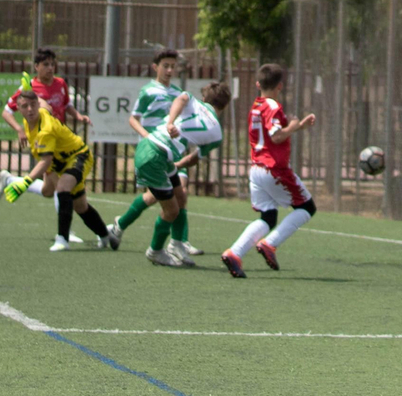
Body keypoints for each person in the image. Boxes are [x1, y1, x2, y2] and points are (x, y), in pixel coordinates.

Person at [109, 81, 231, 258]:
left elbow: (181, 99)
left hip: (165, 155)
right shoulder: (217, 135)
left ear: (204, 98)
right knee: (169, 206)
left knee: (179, 195)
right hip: (159, 153)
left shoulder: (190, 99)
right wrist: (178, 159)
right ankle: (155, 248)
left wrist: (171, 123)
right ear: (225, 106)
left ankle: (178, 243)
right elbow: (195, 158)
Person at [221, 63, 318, 278]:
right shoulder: (273, 106)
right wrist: (293, 125)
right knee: (307, 208)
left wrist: (298, 126)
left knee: (268, 218)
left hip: (256, 169)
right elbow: (276, 136)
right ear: (280, 86)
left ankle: (234, 253)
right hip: (274, 169)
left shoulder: (257, 106)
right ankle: (270, 244)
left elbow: (271, 133)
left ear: (257, 84)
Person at [0, 88, 118, 252]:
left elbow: (45, 161)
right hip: (59, 164)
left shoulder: (45, 130)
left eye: (33, 105)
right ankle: (106, 235)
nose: (30, 109)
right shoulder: (32, 118)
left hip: (78, 156)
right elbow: (44, 104)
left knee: (62, 188)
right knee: (80, 206)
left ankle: (63, 239)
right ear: (19, 109)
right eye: (25, 106)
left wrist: (25, 182)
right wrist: (33, 96)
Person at [0, 50, 91, 242]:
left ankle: (10, 180)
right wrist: (19, 129)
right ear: (36, 67)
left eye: (52, 64)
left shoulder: (61, 84)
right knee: (61, 186)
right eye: (45, 64)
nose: (50, 68)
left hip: (60, 142)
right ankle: (66, 232)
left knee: (48, 191)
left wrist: (78, 116)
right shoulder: (30, 87)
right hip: (44, 142)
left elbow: (66, 106)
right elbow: (6, 112)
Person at [118, 49, 196, 258]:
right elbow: (133, 118)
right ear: (156, 67)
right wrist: (146, 136)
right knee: (158, 198)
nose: (170, 70)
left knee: (181, 195)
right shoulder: (148, 91)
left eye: (173, 66)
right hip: (154, 150)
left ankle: (180, 242)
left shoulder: (178, 93)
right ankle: (120, 225)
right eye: (166, 66)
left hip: (173, 152)